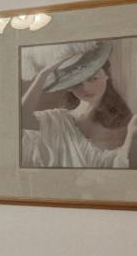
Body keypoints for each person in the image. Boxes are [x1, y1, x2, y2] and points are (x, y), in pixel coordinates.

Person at [21, 40, 137, 168]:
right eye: (77, 83)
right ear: (69, 87)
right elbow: (20, 120)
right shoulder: (58, 120)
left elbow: (118, 164)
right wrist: (43, 75)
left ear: (106, 74)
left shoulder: (124, 121)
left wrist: (131, 136)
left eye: (93, 78)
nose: (86, 88)